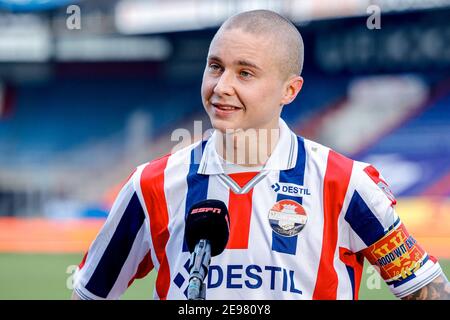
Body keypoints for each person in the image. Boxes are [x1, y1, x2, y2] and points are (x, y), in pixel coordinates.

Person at [72, 9, 449, 300]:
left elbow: (425, 286)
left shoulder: (345, 183)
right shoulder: (150, 184)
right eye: (215, 67)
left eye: (245, 73)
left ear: (290, 90)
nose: (222, 87)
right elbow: (90, 291)